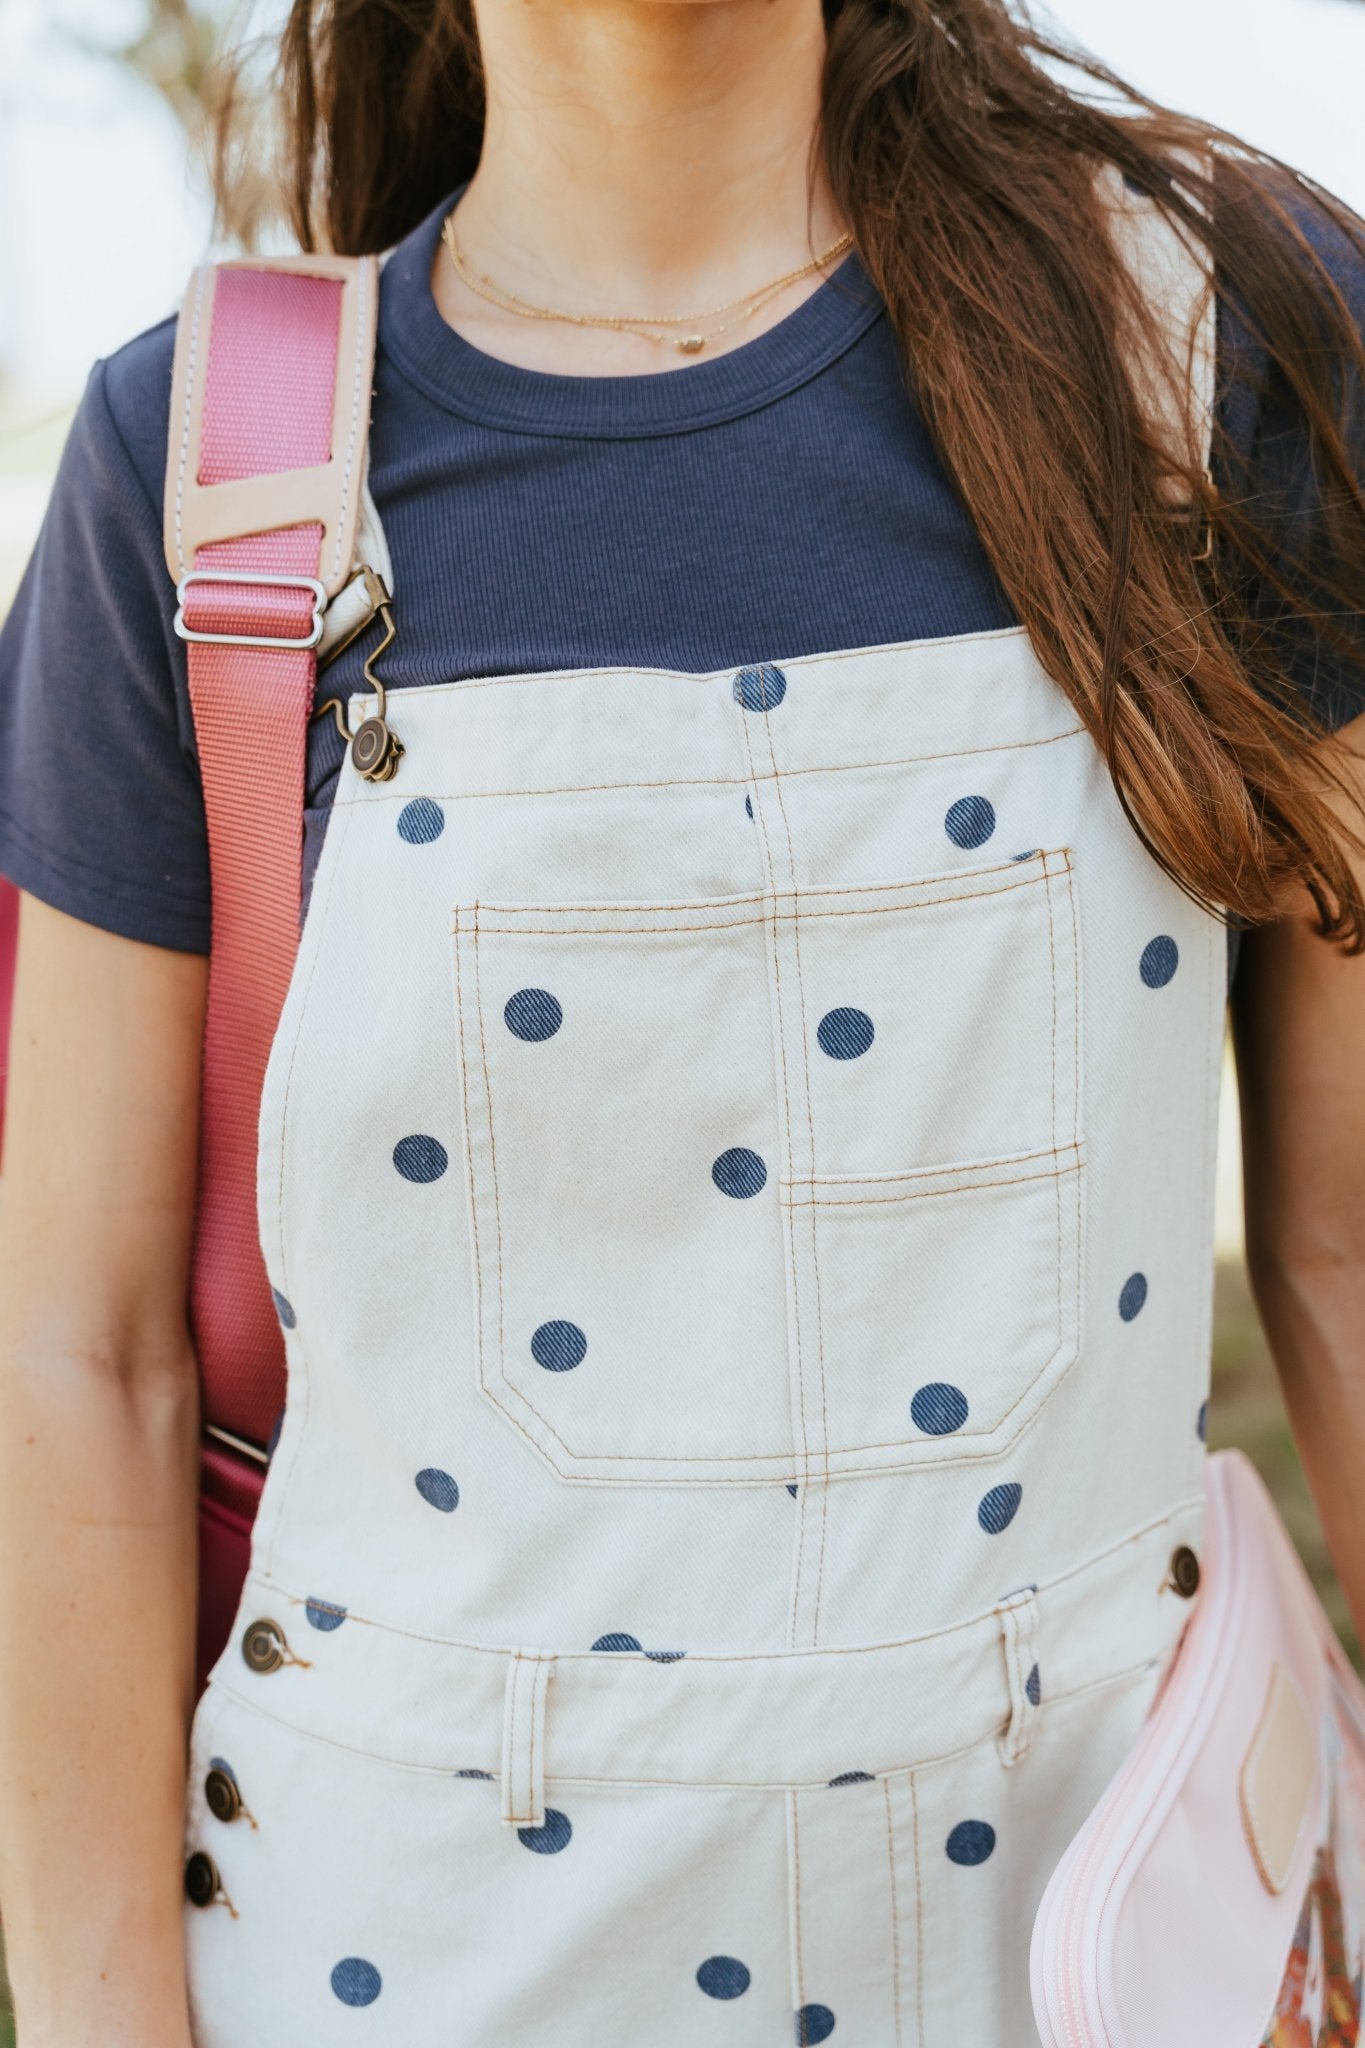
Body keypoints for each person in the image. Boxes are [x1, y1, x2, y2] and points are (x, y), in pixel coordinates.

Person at [0, 1, 1363, 2042]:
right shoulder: (203, 479)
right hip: (388, 1963)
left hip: (1091, 1948)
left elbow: (1343, 1234)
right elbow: (75, 1357)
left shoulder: (1207, 345)